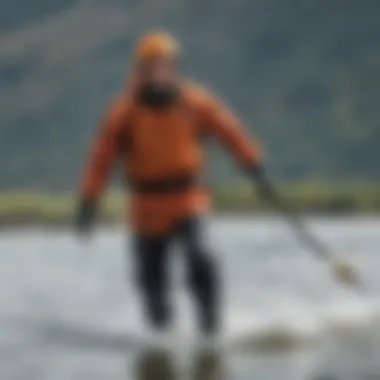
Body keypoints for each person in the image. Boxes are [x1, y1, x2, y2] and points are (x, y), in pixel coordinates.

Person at [75, 31, 276, 338]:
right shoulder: (123, 113)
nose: (160, 74)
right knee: (151, 285)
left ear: (175, 68)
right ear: (140, 72)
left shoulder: (195, 102)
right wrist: (89, 202)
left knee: (201, 258)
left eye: (166, 66)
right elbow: (101, 160)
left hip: (188, 199)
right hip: (146, 208)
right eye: (153, 67)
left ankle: (211, 331)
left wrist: (254, 166)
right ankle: (163, 338)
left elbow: (230, 132)